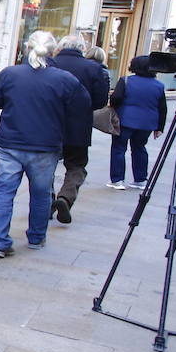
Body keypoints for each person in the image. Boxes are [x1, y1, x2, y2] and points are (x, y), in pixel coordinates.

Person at [0, 30, 89, 258]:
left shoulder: (9, 74)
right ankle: (36, 236)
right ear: (54, 51)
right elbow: (78, 110)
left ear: (26, 48)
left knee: (4, 192)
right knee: (41, 193)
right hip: (44, 144)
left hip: (10, 142)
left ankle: (0, 241)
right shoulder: (64, 79)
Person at [47, 35, 109, 222]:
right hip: (78, 126)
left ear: (60, 47)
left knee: (46, 165)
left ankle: (46, 201)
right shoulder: (94, 69)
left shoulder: (50, 64)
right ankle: (66, 197)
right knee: (76, 166)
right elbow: (99, 101)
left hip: (50, 124)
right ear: (82, 49)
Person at [108, 55, 167, 190]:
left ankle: (117, 180)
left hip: (125, 120)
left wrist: (114, 108)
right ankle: (140, 179)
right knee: (139, 148)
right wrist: (160, 127)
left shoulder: (126, 81)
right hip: (147, 123)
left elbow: (116, 98)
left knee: (118, 148)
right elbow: (162, 108)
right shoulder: (159, 85)